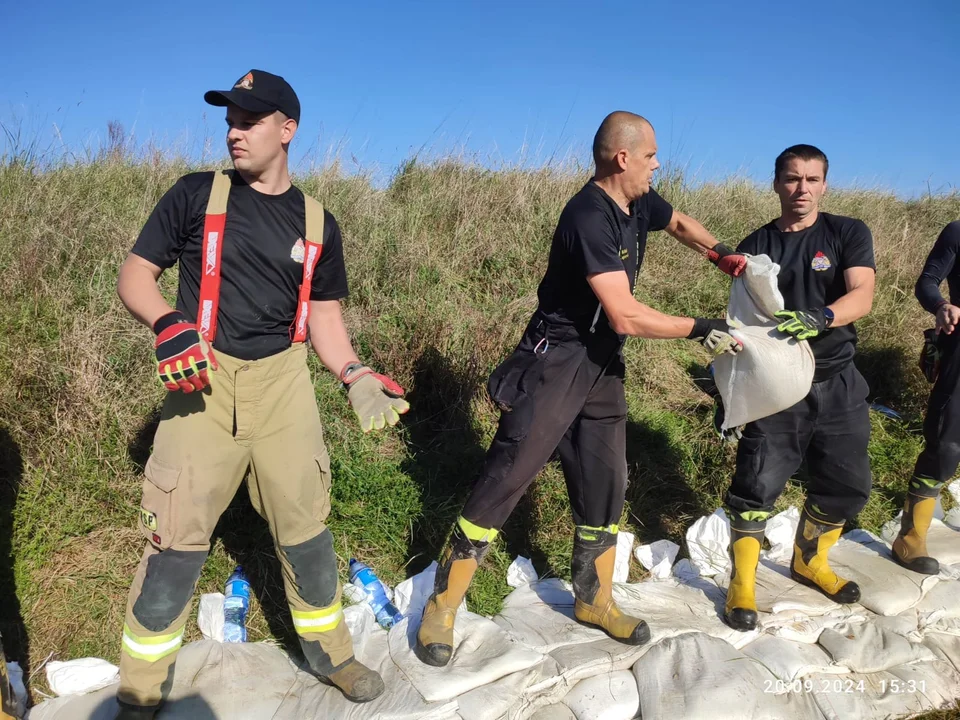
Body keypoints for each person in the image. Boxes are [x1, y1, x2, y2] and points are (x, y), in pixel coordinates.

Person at [113, 69, 409, 718]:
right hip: (202, 388)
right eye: (228, 119)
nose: (233, 131)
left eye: (249, 119)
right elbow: (136, 275)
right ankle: (139, 686)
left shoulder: (318, 224)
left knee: (308, 535)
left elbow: (325, 316)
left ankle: (330, 654)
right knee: (174, 547)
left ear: (287, 128)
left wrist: (355, 374)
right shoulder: (195, 195)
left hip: (285, 388)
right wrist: (168, 324)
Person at [414, 111, 745, 667]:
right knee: (506, 478)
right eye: (650, 156)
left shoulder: (639, 202)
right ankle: (442, 606)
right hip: (557, 359)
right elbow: (624, 314)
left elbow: (681, 223)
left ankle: (594, 598)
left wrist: (719, 254)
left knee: (605, 478)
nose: (657, 164)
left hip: (600, 365)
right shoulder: (587, 216)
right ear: (622, 158)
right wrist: (701, 328)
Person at [721, 144, 876, 632]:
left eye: (811, 180)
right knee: (757, 481)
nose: (801, 189)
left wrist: (823, 316)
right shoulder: (756, 246)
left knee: (848, 481)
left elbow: (862, 295)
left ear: (824, 185)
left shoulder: (847, 232)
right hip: (778, 386)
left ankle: (810, 561)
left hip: (838, 379)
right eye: (792, 179)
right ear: (776, 183)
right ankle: (742, 583)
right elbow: (743, 319)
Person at [899, 220, 960, 575]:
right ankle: (911, 534)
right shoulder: (956, 232)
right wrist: (940, 305)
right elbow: (926, 282)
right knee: (946, 445)